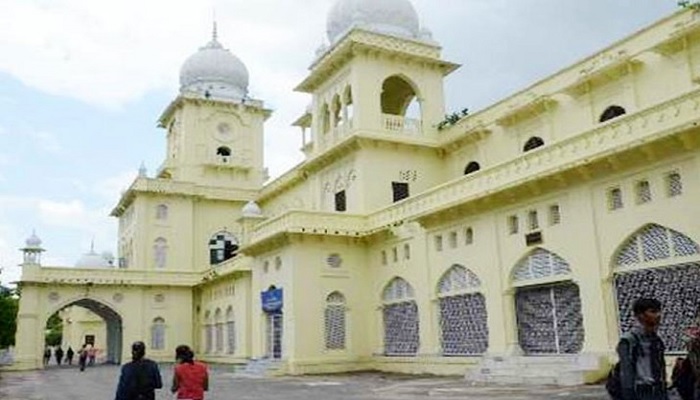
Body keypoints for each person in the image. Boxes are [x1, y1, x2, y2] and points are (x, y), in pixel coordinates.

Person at [617, 298, 668, 400]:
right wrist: (628, 394)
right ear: (640, 315)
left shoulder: (656, 340)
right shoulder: (629, 340)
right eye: (653, 311)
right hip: (641, 391)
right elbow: (626, 371)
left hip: (658, 390)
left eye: (659, 311)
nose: (658, 315)